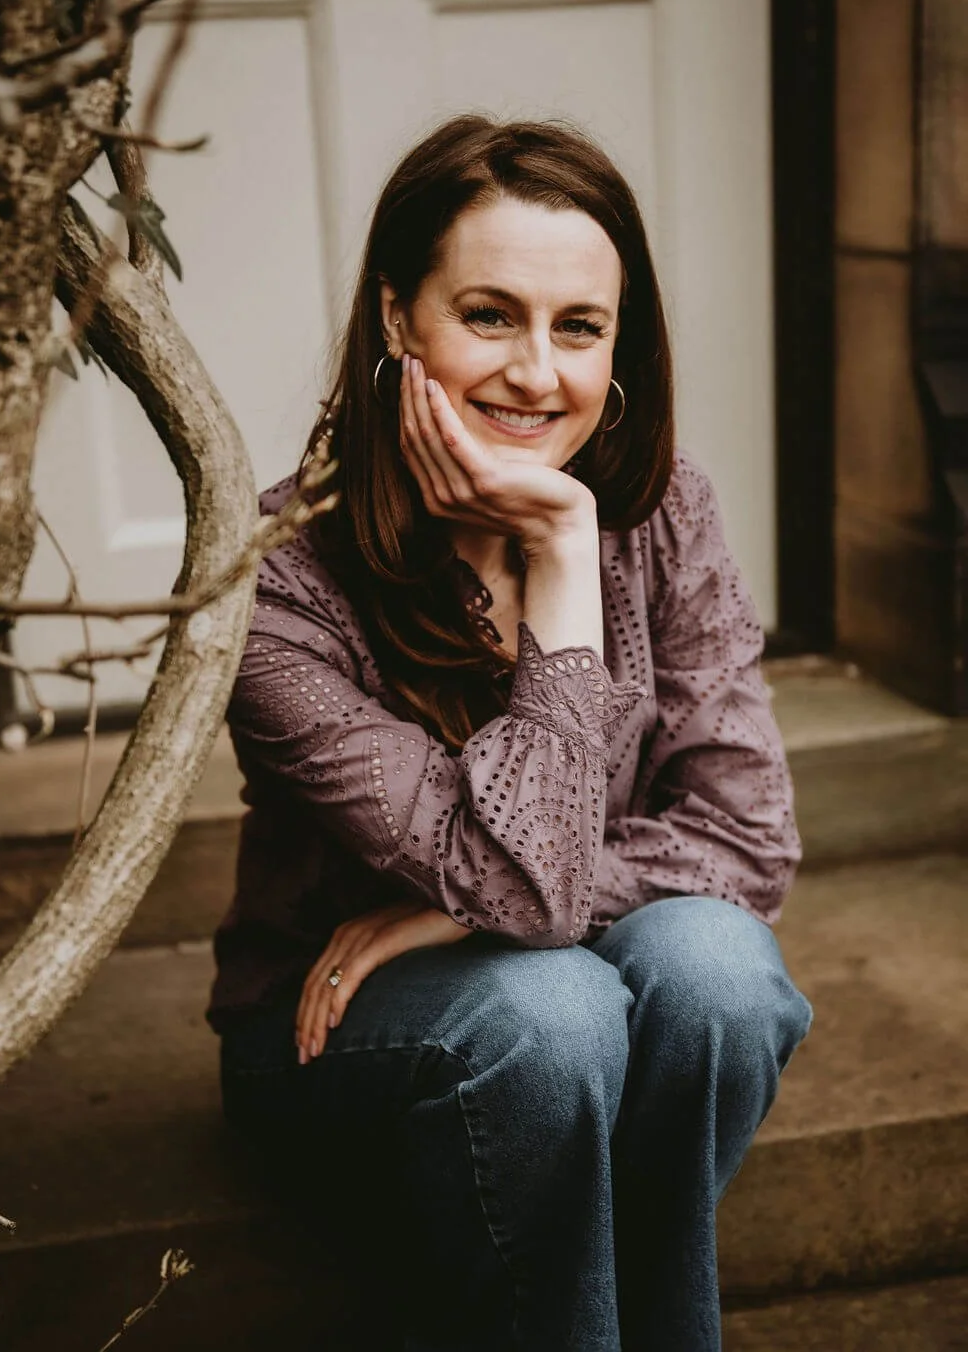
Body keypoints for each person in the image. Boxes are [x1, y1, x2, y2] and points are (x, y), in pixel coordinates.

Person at [208, 114, 813, 1352]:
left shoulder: (663, 510)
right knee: (552, 1009)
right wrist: (557, 566)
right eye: (490, 315)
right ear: (397, 316)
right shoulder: (279, 582)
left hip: (558, 989)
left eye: (578, 326)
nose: (537, 373)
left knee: (718, 970)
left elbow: (747, 842)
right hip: (333, 1029)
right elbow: (530, 900)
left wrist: (460, 904)